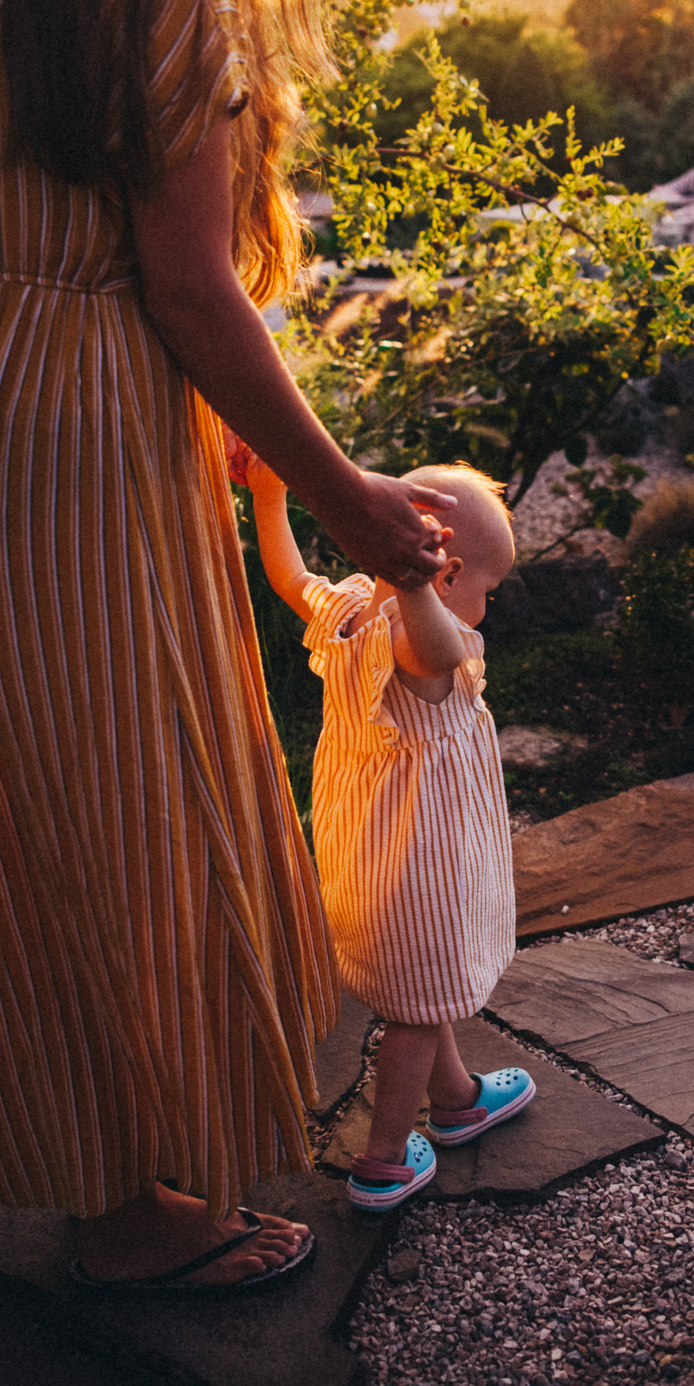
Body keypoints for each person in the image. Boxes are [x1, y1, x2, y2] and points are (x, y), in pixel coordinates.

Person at [0, 0, 456, 1294]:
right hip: (72, 437)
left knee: (30, 829)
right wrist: (341, 491)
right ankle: (132, 1215)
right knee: (141, 816)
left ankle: (92, 1164)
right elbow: (191, 289)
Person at [243, 452, 534, 1212]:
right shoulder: (431, 648)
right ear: (447, 571)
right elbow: (432, 646)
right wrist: (411, 583)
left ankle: (460, 1098)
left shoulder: (347, 612)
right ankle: (382, 1161)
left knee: (417, 984)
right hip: (421, 869)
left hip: (360, 856)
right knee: (412, 1011)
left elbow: (285, 576)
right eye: (486, 590)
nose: (486, 609)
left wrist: (271, 494)